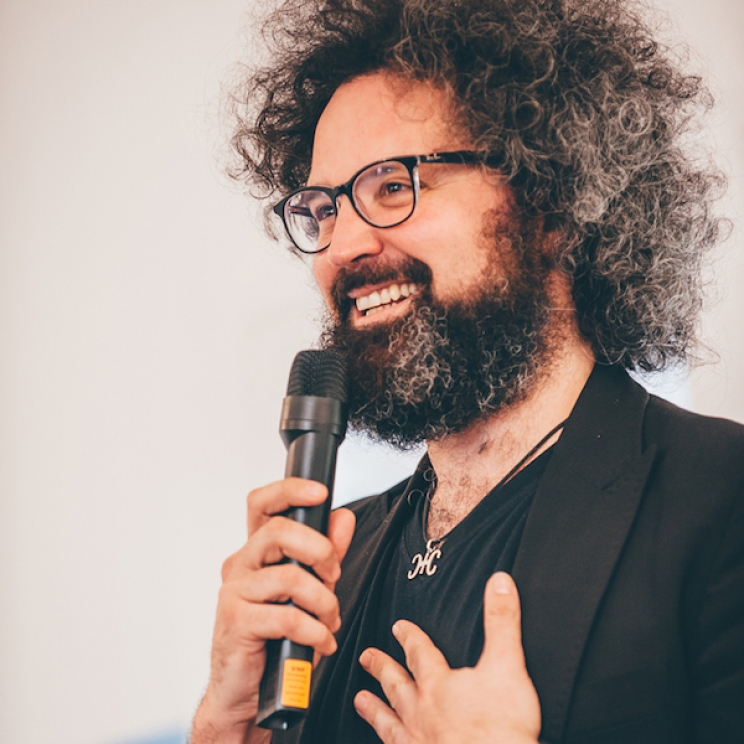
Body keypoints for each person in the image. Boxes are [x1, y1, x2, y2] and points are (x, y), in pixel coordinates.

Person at [190, 1, 744, 742]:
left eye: (393, 186)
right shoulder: (330, 572)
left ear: (550, 202)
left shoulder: (721, 499)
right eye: (323, 209)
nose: (342, 246)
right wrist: (226, 724)